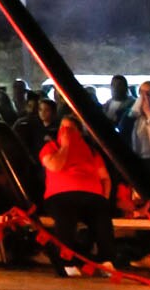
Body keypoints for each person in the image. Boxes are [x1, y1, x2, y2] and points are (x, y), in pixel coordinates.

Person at [39, 116, 115, 271]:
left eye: (70, 129)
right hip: (61, 195)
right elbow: (54, 166)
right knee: (65, 219)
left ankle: (106, 260)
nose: (65, 132)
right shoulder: (51, 147)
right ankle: (66, 263)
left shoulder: (92, 152)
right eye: (62, 128)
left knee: (102, 220)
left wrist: (103, 198)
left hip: (91, 195)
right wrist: (65, 147)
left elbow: (105, 177)